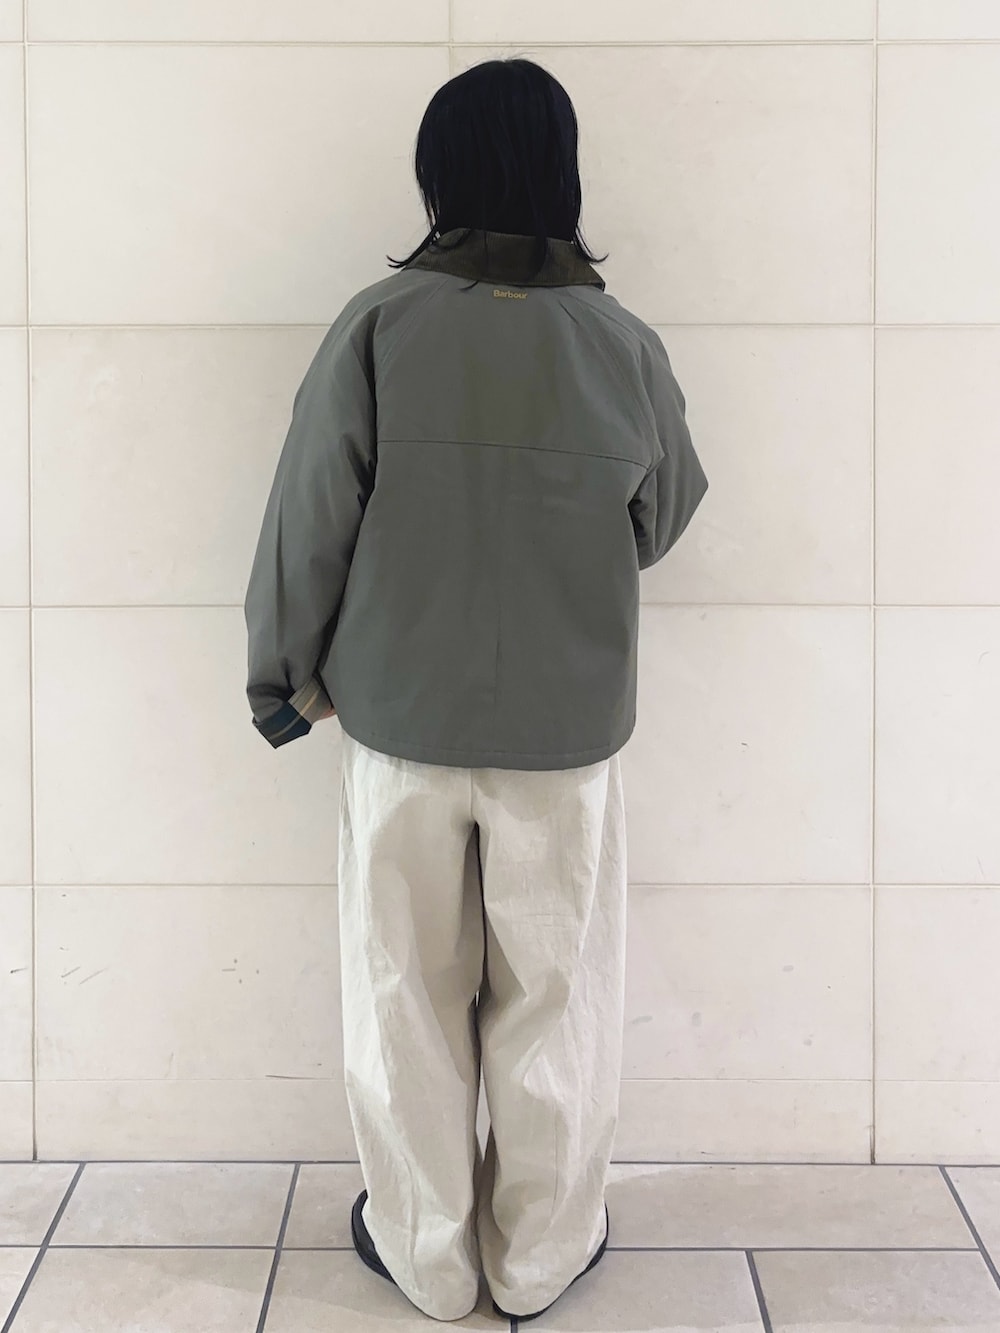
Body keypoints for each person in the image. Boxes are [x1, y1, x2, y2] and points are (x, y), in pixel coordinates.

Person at [243, 56, 708, 1325]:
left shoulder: (379, 325)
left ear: (437, 173)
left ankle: (426, 1257)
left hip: (400, 723)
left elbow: (307, 520)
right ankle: (540, 1257)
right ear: (563, 172)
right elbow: (661, 514)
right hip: (566, 730)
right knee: (556, 998)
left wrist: (282, 678)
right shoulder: (621, 343)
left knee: (404, 991)